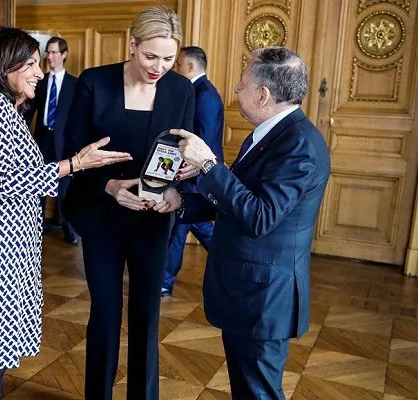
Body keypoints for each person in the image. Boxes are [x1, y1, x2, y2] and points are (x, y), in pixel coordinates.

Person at [0, 26, 132, 400]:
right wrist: (76, 163)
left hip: (5, 248)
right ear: (4, 64)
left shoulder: (4, 108)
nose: (39, 72)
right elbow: (11, 181)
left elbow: (18, 176)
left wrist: (75, 166)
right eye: (30, 63)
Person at [163, 47, 331, 399]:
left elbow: (260, 216)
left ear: (263, 94)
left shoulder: (298, 144)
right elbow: (238, 199)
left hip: (264, 297)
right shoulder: (271, 134)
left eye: (242, 82)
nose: (236, 90)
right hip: (249, 290)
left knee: (259, 392)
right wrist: (181, 202)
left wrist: (210, 165)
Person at [63, 6, 194, 399]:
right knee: (104, 315)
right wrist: (110, 186)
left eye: (169, 58)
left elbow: (187, 151)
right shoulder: (94, 82)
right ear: (131, 43)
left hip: (152, 220)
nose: (159, 66)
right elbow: (73, 153)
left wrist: (177, 191)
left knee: (146, 317)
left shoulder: (180, 89)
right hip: (102, 216)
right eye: (150, 56)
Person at [161, 46, 224, 297]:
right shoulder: (195, 91)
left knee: (181, 225)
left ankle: (164, 282)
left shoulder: (205, 94)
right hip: (188, 172)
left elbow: (204, 138)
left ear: (189, 67)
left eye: (177, 64)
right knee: (193, 224)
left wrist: (195, 169)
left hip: (195, 174)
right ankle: (229, 257)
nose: (174, 69)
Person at [24, 37, 79, 244]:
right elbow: (29, 111)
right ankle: (34, 228)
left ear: (64, 54)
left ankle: (68, 229)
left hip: (64, 142)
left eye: (55, 52)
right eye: (48, 52)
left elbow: (77, 117)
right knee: (38, 185)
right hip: (42, 139)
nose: (50, 57)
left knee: (64, 189)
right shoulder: (40, 80)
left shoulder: (75, 83)